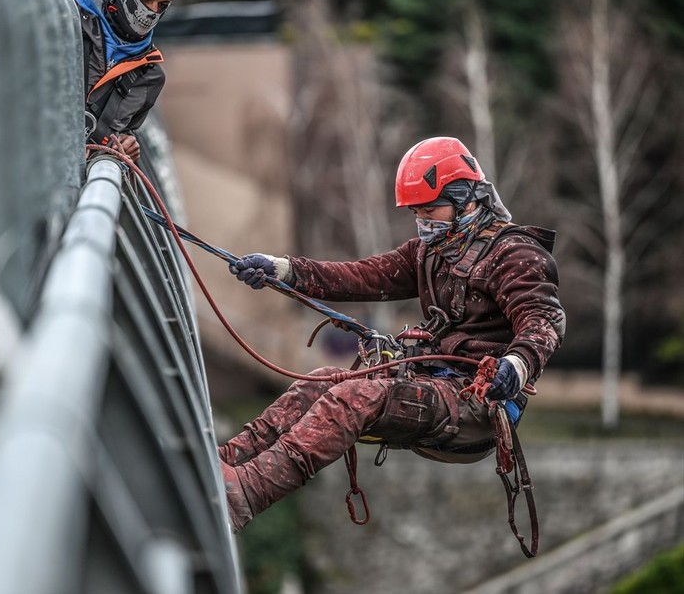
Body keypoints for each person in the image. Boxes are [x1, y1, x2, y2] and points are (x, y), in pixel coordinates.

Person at [219, 136, 566, 531]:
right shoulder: (429, 252)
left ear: (468, 198)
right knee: (319, 382)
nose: (424, 221)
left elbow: (544, 321)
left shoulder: (516, 255)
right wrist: (282, 270)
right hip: (431, 385)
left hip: (476, 405)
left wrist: (516, 364)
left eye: (431, 209)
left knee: (354, 394)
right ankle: (224, 462)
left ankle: (246, 493)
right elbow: (359, 276)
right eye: (417, 212)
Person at [74, 0, 184, 160]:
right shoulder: (67, 22)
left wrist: (127, 146)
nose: (152, 12)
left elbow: (118, 132)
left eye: (162, 5)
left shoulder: (150, 77)